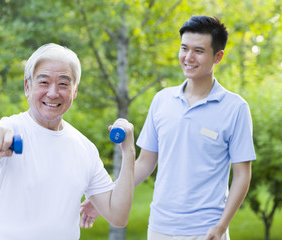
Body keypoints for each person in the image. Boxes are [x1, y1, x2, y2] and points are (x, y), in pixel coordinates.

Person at [80, 16, 256, 240]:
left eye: (199, 51)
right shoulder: (162, 100)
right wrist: (105, 197)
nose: (188, 58)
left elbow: (242, 175)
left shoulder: (236, 108)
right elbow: (144, 163)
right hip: (159, 228)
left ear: (218, 56)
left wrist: (221, 226)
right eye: (184, 48)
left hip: (206, 231)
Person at [0, 43, 136, 240]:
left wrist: (129, 152)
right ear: (28, 87)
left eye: (63, 84)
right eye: (43, 82)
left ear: (75, 91)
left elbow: (118, 216)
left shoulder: (85, 148)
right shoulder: (12, 130)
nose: (53, 93)